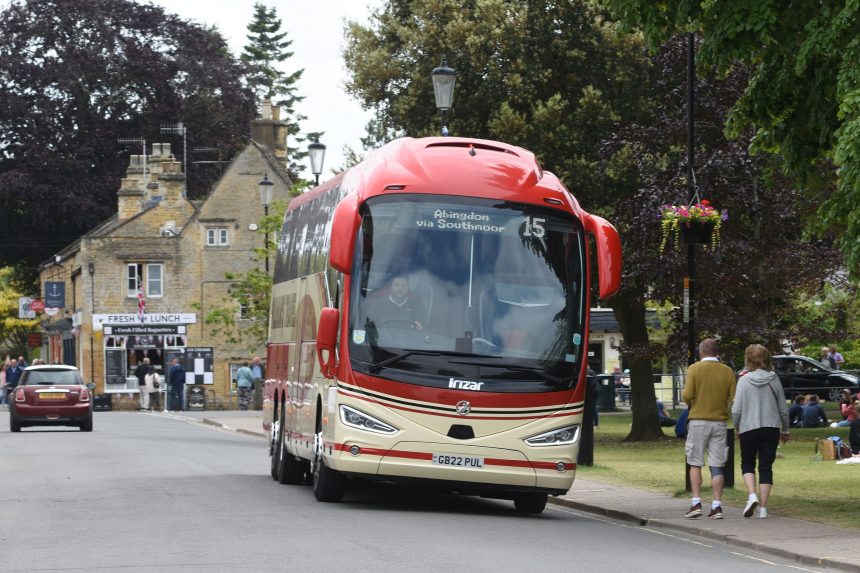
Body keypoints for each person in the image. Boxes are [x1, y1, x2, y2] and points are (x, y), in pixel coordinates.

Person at [731, 344, 791, 520]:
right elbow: (783, 409)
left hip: (749, 427)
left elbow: (736, 410)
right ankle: (763, 508)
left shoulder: (743, 380)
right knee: (766, 467)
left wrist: (737, 427)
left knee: (747, 463)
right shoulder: (774, 379)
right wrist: (785, 429)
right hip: (771, 427)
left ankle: (751, 495)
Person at [681, 338, 737, 519]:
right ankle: (717, 505)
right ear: (716, 351)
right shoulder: (727, 371)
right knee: (717, 465)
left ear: (701, 351)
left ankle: (696, 502)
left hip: (698, 420)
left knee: (695, 462)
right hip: (719, 422)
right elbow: (733, 399)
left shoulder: (694, 369)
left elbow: (687, 395)